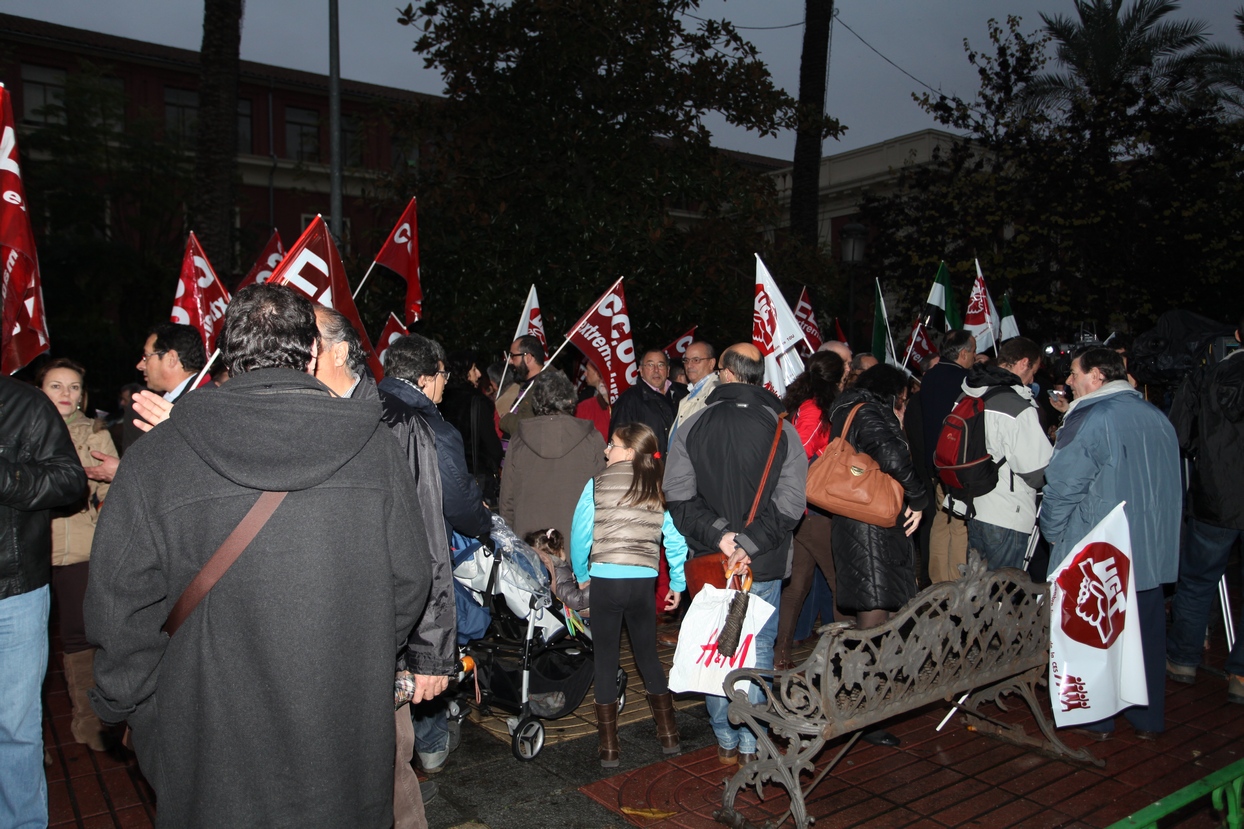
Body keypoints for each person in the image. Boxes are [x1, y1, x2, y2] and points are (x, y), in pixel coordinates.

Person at [85, 284, 434, 828]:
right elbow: (411, 581)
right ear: (311, 352)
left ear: (229, 353)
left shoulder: (155, 457)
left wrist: (125, 703)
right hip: (341, 727)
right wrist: (356, 650)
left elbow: (120, 604)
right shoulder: (376, 449)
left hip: (208, 730)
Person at [314, 311, 465, 798]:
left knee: (389, 780)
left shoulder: (399, 422)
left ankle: (431, 744)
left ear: (337, 352)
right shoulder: (311, 418)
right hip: (318, 635)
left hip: (382, 626)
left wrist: (431, 653)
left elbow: (424, 541)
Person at [664, 343, 806, 766]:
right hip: (761, 560)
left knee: (716, 646)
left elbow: (677, 495)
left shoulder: (692, 425)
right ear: (757, 376)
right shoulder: (784, 430)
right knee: (758, 650)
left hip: (711, 559)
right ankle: (751, 744)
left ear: (724, 374)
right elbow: (791, 503)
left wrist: (722, 537)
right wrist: (748, 543)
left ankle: (725, 737)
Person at [1040, 347, 1180, 740]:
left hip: (1098, 551)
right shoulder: (1155, 415)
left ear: (1096, 376)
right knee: (1145, 638)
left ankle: (1095, 717)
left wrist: (1053, 534)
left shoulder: (1091, 418)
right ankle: (1147, 718)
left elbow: (1063, 486)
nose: (1068, 381)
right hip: (1149, 550)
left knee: (1094, 636)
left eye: (1073, 373)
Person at [381, 333, 494, 777]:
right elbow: (459, 505)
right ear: (427, 377)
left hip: (371, 557)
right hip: (421, 557)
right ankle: (429, 743)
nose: (446, 383)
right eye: (443, 374)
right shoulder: (431, 427)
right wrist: (485, 521)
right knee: (425, 648)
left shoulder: (359, 409)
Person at [571, 422, 687, 767]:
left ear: (630, 452)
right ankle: (669, 737)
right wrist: (677, 584)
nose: (607, 450)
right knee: (648, 657)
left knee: (605, 660)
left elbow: (580, 535)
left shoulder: (596, 484)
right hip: (642, 584)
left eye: (613, 445)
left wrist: (581, 575)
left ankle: (609, 750)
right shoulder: (656, 486)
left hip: (605, 581)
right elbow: (676, 541)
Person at [0, 375, 86, 829]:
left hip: (14, 594)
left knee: (15, 729)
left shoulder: (24, 405)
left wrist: (6, 475)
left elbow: (70, 481)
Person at [825, 363, 927, 747]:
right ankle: (860, 709)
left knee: (872, 611)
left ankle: (854, 697)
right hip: (871, 525)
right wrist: (919, 496)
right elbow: (891, 456)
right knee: (874, 612)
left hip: (856, 520)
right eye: (902, 397)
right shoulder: (869, 411)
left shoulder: (847, 407)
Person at [38, 358, 117, 753]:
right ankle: (27, 739)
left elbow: (113, 497)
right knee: (26, 644)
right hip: (30, 553)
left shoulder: (95, 433)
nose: (66, 394)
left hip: (79, 554)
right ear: (39, 391)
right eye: (56, 386)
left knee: (78, 638)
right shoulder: (20, 430)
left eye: (73, 387)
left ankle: (87, 723)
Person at [1166, 318, 1244, 698]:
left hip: (1216, 497)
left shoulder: (1206, 376)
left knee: (1197, 581)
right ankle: (1241, 677)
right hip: (1219, 496)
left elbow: (1179, 433)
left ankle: (1182, 659)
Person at [774, 351, 847, 670]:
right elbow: (799, 454)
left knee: (798, 583)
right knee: (840, 582)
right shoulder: (817, 407)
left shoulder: (797, 403)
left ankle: (781, 655)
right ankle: (845, 657)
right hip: (814, 506)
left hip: (801, 507)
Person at [958, 336, 1052, 571]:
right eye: (1034, 371)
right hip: (1007, 512)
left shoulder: (968, 393)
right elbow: (1036, 471)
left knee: (976, 590)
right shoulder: (1016, 405)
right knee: (1003, 594)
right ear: (1023, 363)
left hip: (973, 506)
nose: (1032, 378)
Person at [501, 369, 606, 539]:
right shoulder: (592, 438)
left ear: (537, 401)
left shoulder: (519, 440)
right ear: (571, 400)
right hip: (578, 540)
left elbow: (507, 500)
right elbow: (603, 494)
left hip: (531, 542)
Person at [921, 331, 977, 582]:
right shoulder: (966, 381)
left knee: (941, 521)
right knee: (959, 525)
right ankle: (956, 584)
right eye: (973, 352)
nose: (975, 358)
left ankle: (938, 582)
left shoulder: (930, 376)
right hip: (959, 463)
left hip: (937, 462)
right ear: (963, 354)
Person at [439, 351, 503, 509]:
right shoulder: (477, 402)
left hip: (444, 478)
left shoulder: (439, 401)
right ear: (463, 372)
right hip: (476, 480)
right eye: (474, 369)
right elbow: (492, 446)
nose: (479, 374)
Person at [609, 349, 687, 454]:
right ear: (641, 370)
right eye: (650, 365)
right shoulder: (628, 400)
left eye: (660, 365)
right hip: (647, 467)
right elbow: (618, 441)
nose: (656, 370)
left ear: (668, 370)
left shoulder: (684, 393)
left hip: (682, 466)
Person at [525, 528, 590, 613]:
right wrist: (595, 588)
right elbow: (576, 600)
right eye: (562, 548)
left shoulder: (543, 570)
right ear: (557, 552)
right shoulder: (559, 573)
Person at [496, 334, 545, 437]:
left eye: (513, 356)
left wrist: (505, 419)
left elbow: (529, 427)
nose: (509, 361)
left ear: (528, 358)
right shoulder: (525, 383)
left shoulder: (546, 385)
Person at [670, 341, 718, 439]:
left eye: (696, 360)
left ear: (711, 363)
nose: (689, 365)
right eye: (686, 360)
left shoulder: (716, 392)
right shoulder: (688, 395)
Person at [574, 360, 611, 440]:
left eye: (588, 370)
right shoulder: (585, 400)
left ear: (598, 373)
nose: (585, 373)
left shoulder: (622, 407)